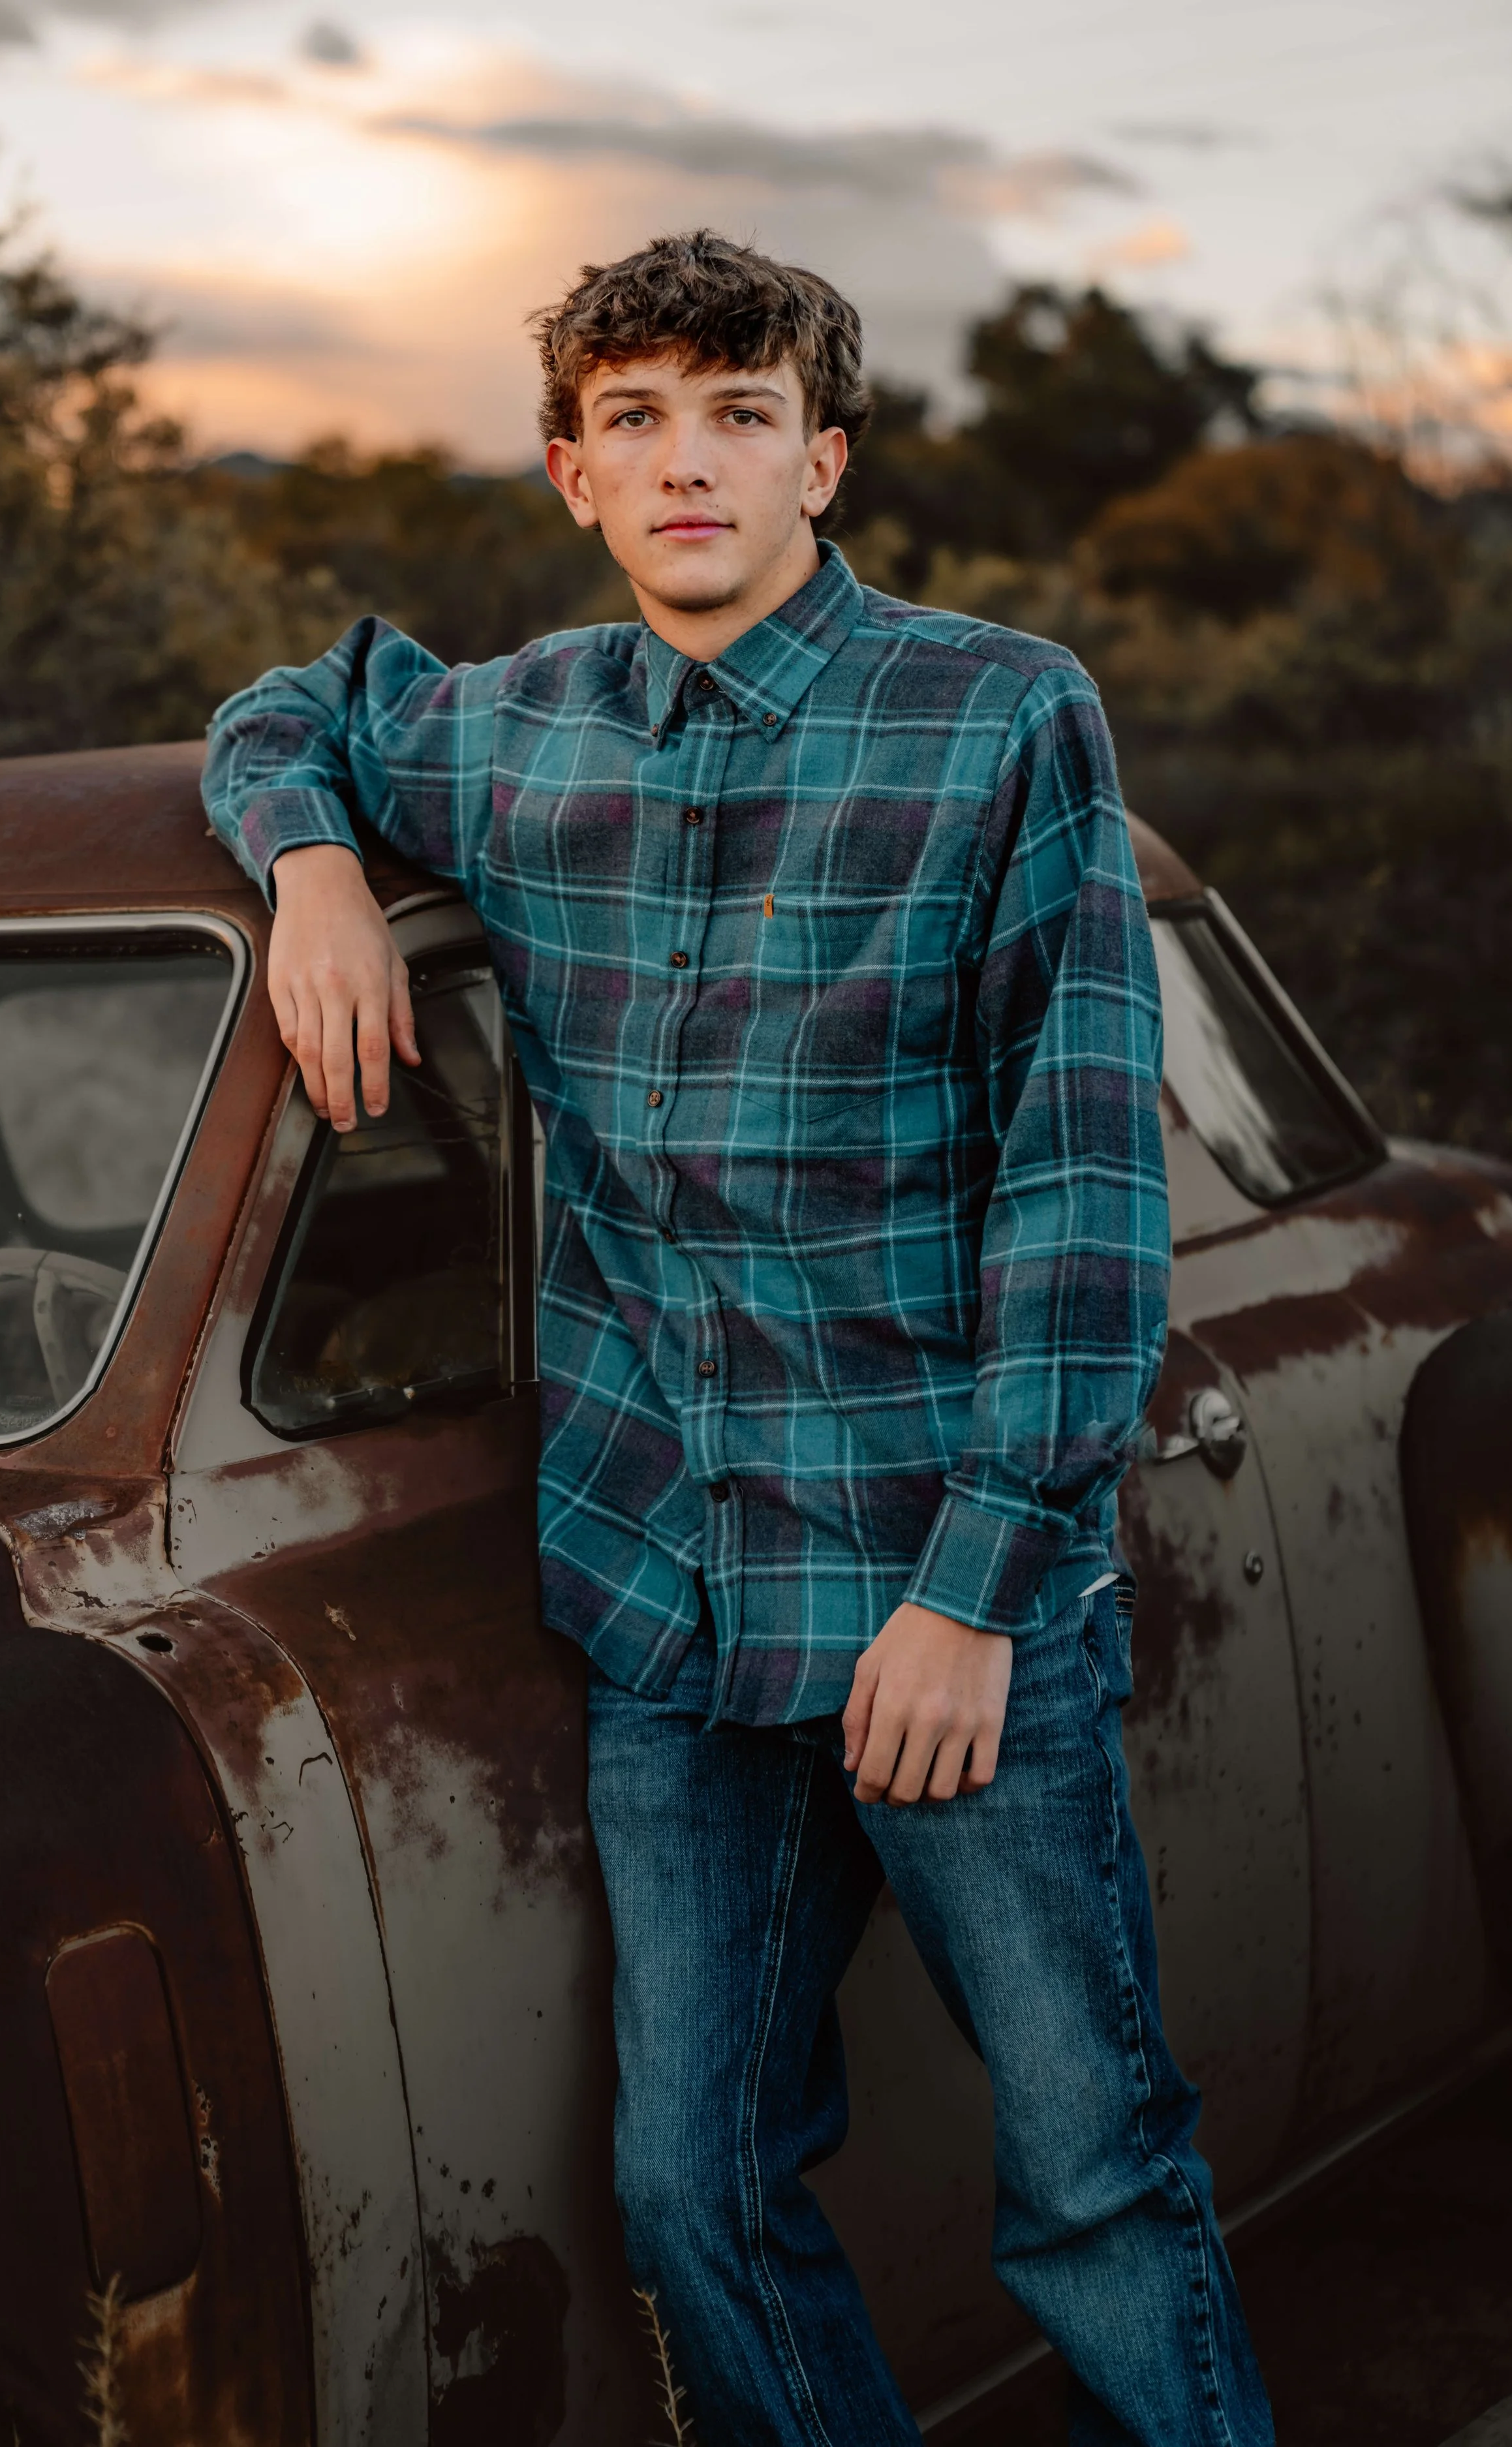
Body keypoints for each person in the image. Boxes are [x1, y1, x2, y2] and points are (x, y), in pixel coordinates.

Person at [202, 228, 1274, 2447]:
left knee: (1088, 2178)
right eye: (633, 421)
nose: (686, 460)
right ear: (574, 476)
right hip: (671, 1612)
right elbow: (292, 701)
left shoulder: (998, 717)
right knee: (690, 2188)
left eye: (738, 414)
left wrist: (975, 1590)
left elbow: (1081, 1188)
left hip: (932, 1597)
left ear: (824, 460)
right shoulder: (509, 737)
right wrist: (310, 857)